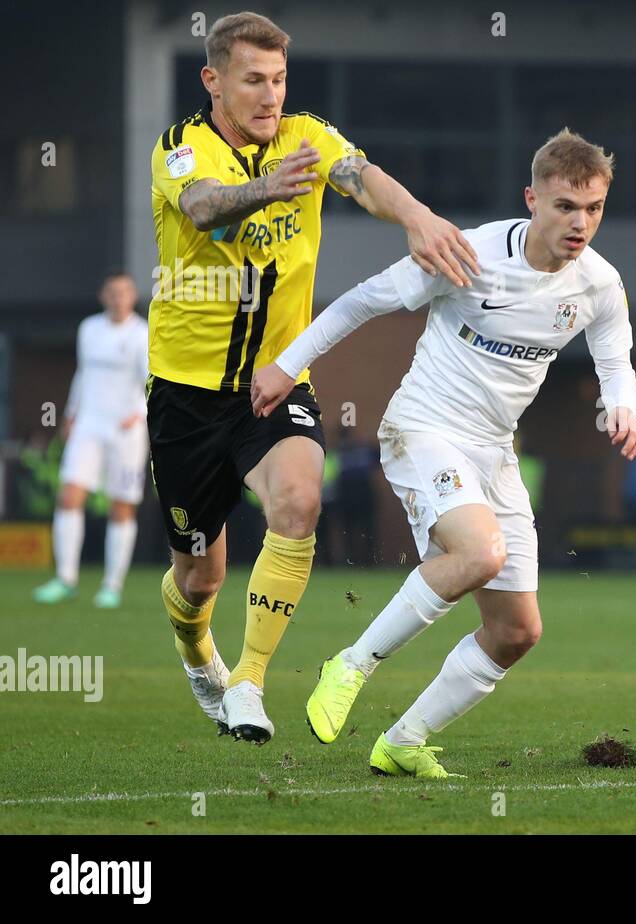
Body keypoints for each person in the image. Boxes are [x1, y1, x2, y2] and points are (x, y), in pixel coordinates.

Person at [251, 129, 636, 778]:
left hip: (494, 451)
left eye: (594, 208)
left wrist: (623, 406)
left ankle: (403, 740)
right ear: (532, 200)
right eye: (565, 206)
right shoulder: (469, 253)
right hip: (423, 429)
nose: (581, 223)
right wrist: (286, 367)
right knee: (479, 553)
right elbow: (361, 301)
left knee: (517, 632)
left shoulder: (599, 284)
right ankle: (351, 663)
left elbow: (615, 360)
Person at [148, 12, 477, 743]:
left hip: (274, 380)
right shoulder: (180, 150)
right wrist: (269, 188)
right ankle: (198, 649)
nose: (270, 96)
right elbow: (202, 207)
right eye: (253, 80)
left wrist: (417, 218)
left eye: (279, 80)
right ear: (214, 81)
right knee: (199, 578)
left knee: (298, 500)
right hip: (185, 397)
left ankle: (249, 683)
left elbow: (360, 177)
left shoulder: (307, 136)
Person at [33, 271, 148, 610]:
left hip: (127, 430)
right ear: (103, 295)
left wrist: (139, 412)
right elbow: (82, 374)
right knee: (69, 496)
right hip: (89, 424)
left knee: (121, 505)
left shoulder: (142, 333)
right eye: (112, 292)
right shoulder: (89, 329)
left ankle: (112, 585)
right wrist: (70, 414)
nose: (118, 297)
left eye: (124, 292)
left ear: (132, 296)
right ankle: (65, 579)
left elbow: (151, 379)